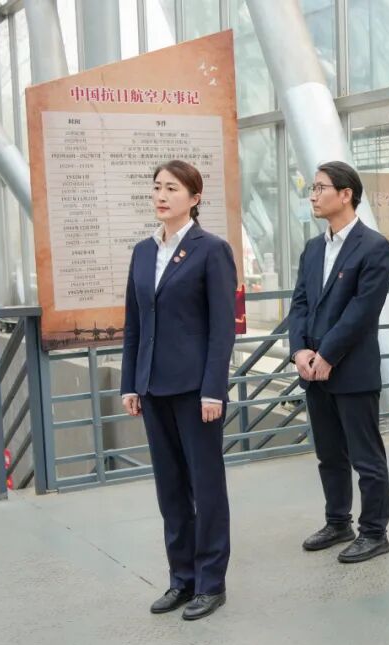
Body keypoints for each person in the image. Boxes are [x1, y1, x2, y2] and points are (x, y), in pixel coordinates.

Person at [121, 160, 237, 621]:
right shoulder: (142, 252)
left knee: (206, 488)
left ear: (195, 197)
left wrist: (214, 390)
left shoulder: (211, 251)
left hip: (195, 390)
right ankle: (181, 579)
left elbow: (221, 328)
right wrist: (131, 382)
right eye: (157, 187)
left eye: (172, 188)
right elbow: (135, 324)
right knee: (170, 489)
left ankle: (211, 583)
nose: (161, 195)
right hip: (153, 387)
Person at [288, 161, 389, 563]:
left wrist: (328, 354)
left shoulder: (374, 246)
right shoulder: (314, 248)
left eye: (320, 188)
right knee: (329, 455)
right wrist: (299, 351)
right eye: (312, 189)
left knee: (366, 457)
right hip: (312, 369)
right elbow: (299, 304)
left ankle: (374, 532)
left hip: (351, 370)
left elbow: (362, 311)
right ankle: (338, 522)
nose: (313, 196)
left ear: (346, 194)